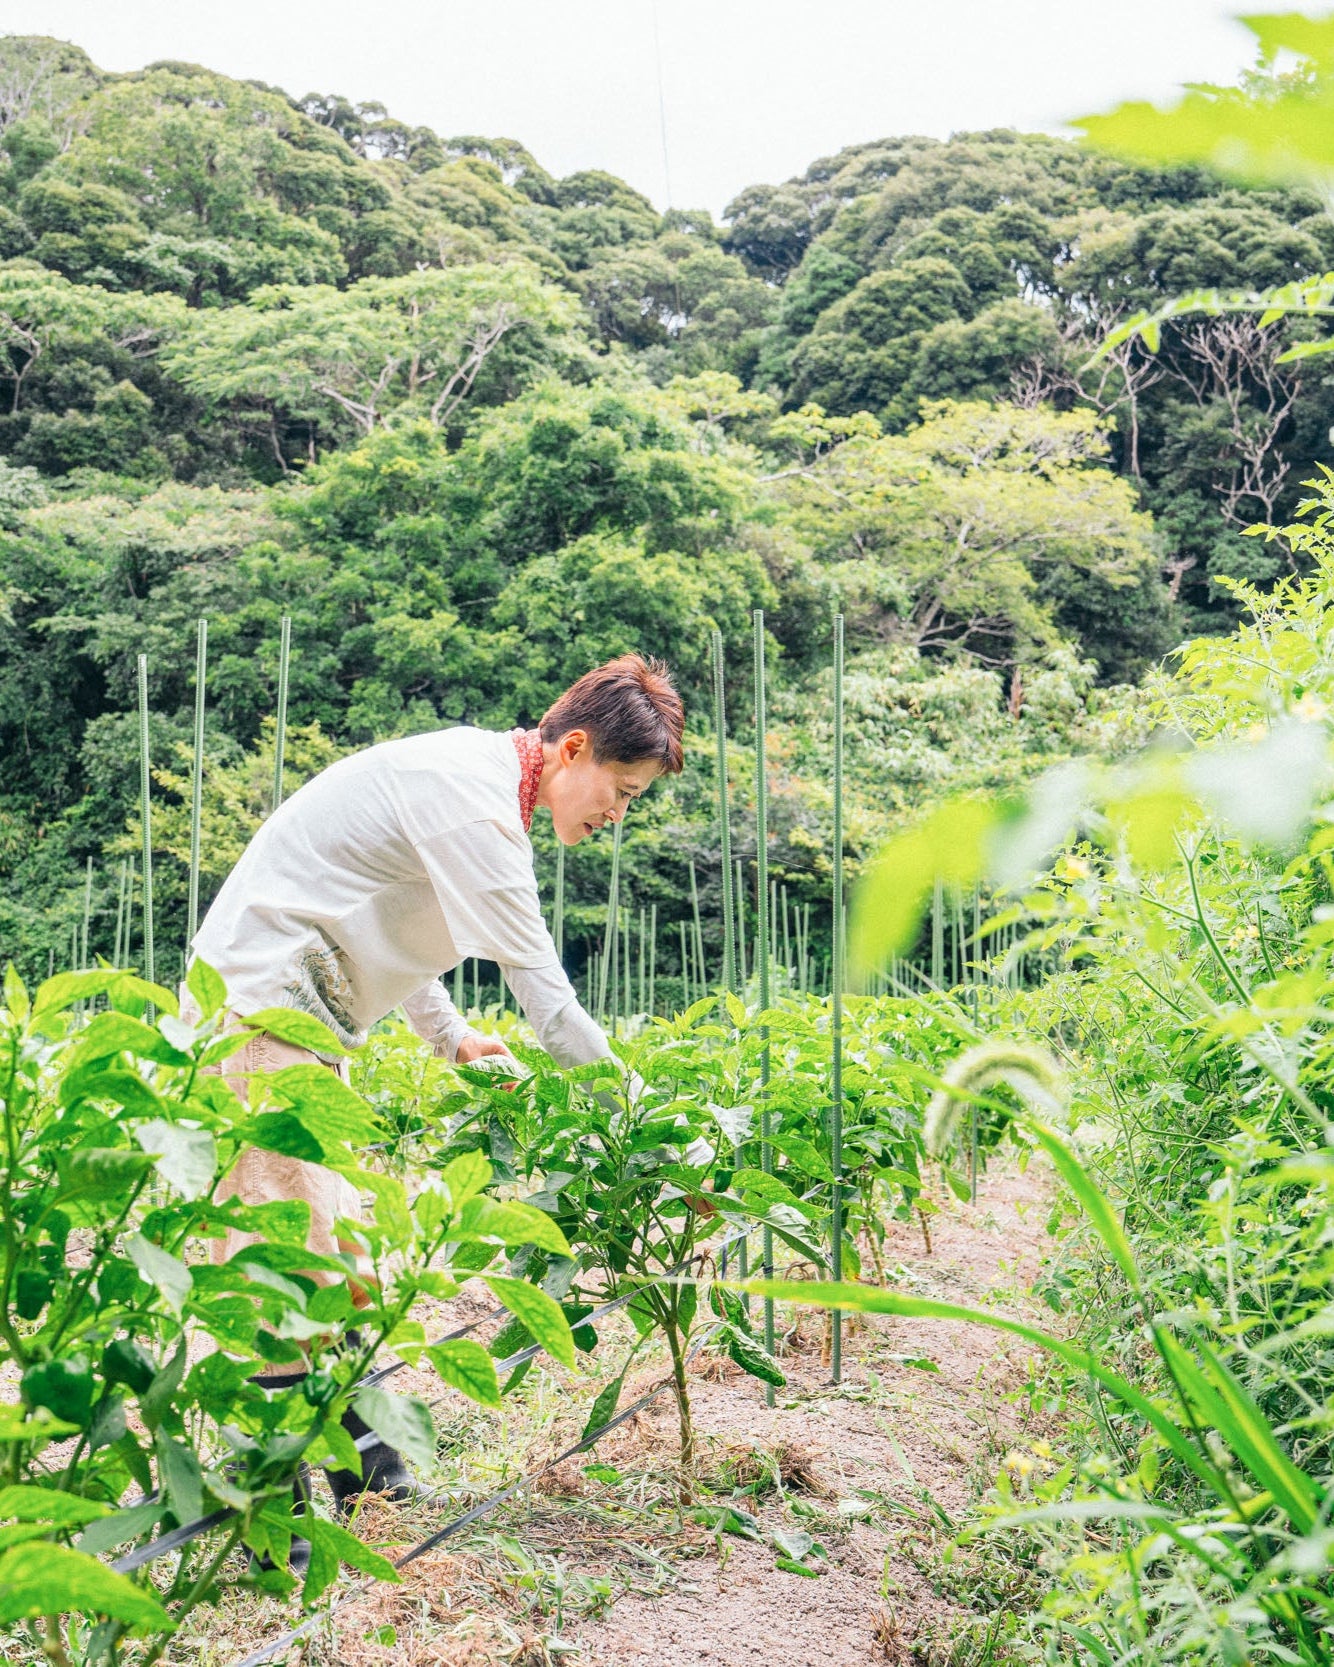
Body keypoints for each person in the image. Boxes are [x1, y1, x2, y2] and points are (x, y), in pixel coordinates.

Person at [188, 652, 685, 1522]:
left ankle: (375, 1484)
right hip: (256, 1021)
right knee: (281, 1268)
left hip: (297, 1028)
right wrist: (656, 1136)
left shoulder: (478, 783)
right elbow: (552, 1007)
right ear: (573, 749)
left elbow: (384, 916)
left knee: (332, 1258)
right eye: (624, 791)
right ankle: (273, 1528)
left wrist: (449, 1036)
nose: (618, 813)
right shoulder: (478, 810)